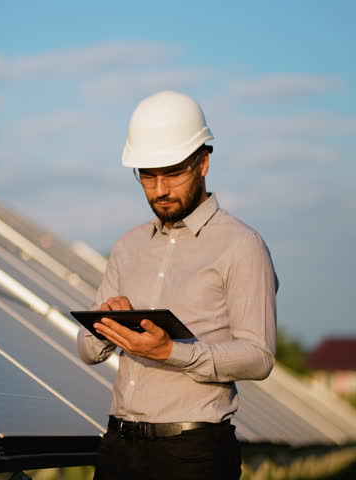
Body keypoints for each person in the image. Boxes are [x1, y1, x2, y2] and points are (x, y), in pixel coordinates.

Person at [77, 91, 278, 480]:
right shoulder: (127, 245)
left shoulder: (242, 245)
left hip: (194, 455)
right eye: (148, 176)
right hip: (117, 448)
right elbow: (86, 350)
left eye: (172, 173)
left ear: (203, 163)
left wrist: (172, 352)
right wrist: (106, 328)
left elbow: (259, 356)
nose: (160, 189)